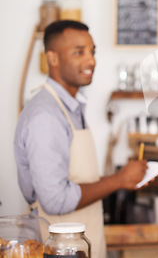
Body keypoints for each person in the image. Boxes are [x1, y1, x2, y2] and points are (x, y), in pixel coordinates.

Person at [14, 20, 148, 258]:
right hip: (57, 250)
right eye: (79, 52)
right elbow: (56, 200)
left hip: (80, 246)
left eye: (92, 51)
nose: (91, 60)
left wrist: (126, 178)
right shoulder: (45, 115)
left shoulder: (71, 107)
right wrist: (119, 180)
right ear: (52, 59)